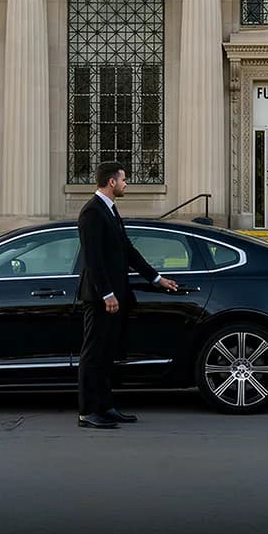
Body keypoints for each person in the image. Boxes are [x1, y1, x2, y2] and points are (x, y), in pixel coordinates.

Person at [76, 161, 178, 429]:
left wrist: (156, 278)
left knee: (108, 354)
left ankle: (105, 407)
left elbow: (127, 250)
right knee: (93, 354)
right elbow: (93, 259)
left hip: (115, 297)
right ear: (111, 182)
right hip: (100, 298)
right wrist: (106, 294)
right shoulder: (92, 213)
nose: (126, 184)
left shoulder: (109, 210)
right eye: (123, 180)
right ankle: (88, 412)